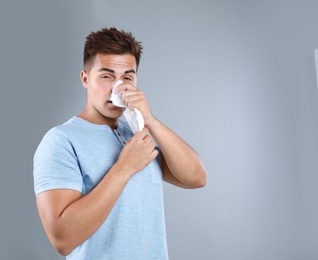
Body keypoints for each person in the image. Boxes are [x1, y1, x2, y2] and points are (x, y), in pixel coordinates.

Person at [33, 27, 207, 259]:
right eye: (106, 76)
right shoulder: (60, 141)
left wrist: (150, 120)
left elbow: (196, 177)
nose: (118, 87)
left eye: (127, 77)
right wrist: (124, 168)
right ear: (85, 79)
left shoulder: (137, 132)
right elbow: (62, 239)